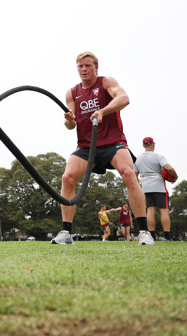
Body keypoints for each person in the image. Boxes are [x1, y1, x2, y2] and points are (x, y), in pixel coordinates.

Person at [50, 52, 154, 245]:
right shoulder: (72, 93)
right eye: (80, 66)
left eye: (88, 66)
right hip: (86, 146)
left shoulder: (106, 83)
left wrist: (103, 111)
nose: (84, 69)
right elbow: (71, 125)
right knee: (67, 178)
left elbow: (124, 99)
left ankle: (144, 232)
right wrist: (69, 121)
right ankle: (66, 233)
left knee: (129, 174)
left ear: (96, 67)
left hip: (113, 142)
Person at [134, 137, 178, 241]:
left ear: (143, 145)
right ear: (153, 144)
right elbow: (168, 168)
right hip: (159, 187)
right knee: (164, 210)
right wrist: (175, 176)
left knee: (150, 211)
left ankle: (152, 236)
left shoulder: (137, 159)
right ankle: (167, 237)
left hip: (145, 188)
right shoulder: (158, 156)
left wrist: (139, 188)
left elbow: (135, 176)